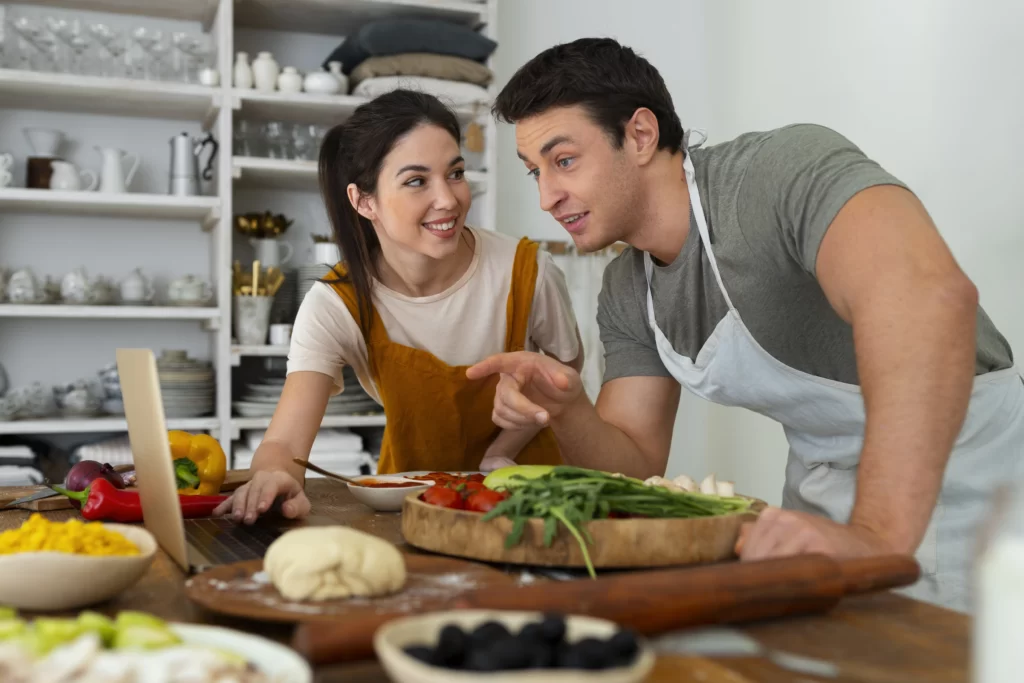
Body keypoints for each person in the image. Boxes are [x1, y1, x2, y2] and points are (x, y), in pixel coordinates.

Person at [466, 37, 1024, 612]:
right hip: (822, 495)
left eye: (564, 161)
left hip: (971, 481)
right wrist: (567, 409)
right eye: (535, 172)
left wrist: (876, 537)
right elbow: (634, 459)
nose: (547, 197)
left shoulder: (778, 173)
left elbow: (929, 301)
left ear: (639, 134)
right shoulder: (630, 289)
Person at [216, 90, 583, 525]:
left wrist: (502, 450)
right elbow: (284, 443)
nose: (447, 199)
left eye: (456, 173)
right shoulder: (337, 304)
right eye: (416, 181)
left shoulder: (525, 270)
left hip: (532, 501)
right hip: (410, 509)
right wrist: (272, 478)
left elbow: (566, 376)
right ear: (363, 200)